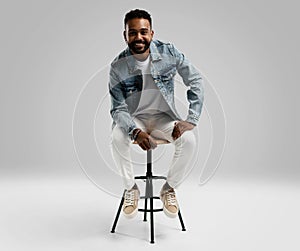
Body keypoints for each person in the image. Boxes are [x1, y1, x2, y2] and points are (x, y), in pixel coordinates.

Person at [109, 9, 204, 219]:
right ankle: (131, 189)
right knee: (117, 136)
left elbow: (195, 80)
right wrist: (134, 131)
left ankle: (169, 189)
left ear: (152, 33)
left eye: (143, 32)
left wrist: (191, 119)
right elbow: (118, 108)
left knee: (189, 140)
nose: (138, 37)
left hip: (164, 118)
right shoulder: (117, 66)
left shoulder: (169, 52)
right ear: (125, 35)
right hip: (135, 119)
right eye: (132, 33)